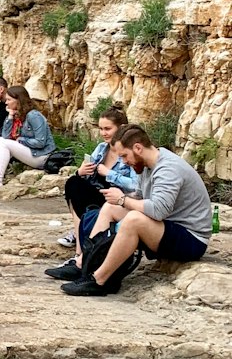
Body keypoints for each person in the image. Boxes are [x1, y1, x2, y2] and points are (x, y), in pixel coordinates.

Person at [61, 124, 212, 296]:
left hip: (191, 239)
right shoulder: (145, 165)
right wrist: (118, 200)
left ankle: (100, 280)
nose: (124, 162)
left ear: (138, 148)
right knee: (111, 208)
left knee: (134, 220)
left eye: (124, 156)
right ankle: (84, 264)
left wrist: (123, 199)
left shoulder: (168, 168)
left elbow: (158, 210)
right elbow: (140, 197)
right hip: (168, 226)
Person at [45, 106, 137, 278]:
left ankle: (80, 254)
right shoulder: (102, 149)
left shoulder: (128, 152)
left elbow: (136, 185)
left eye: (108, 128)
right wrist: (82, 171)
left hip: (117, 199)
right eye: (101, 128)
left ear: (121, 128)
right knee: (74, 182)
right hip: (98, 192)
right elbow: (85, 175)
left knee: (78, 189)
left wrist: (111, 174)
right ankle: (79, 251)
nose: (104, 133)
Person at [0, 85, 55, 188]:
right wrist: (10, 117)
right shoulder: (19, 114)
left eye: (9, 100)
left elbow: (40, 142)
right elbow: (5, 136)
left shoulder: (34, 116)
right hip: (31, 152)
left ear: (18, 100)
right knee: (1, 140)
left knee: (5, 143)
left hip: (41, 156)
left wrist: (21, 140)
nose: (6, 102)